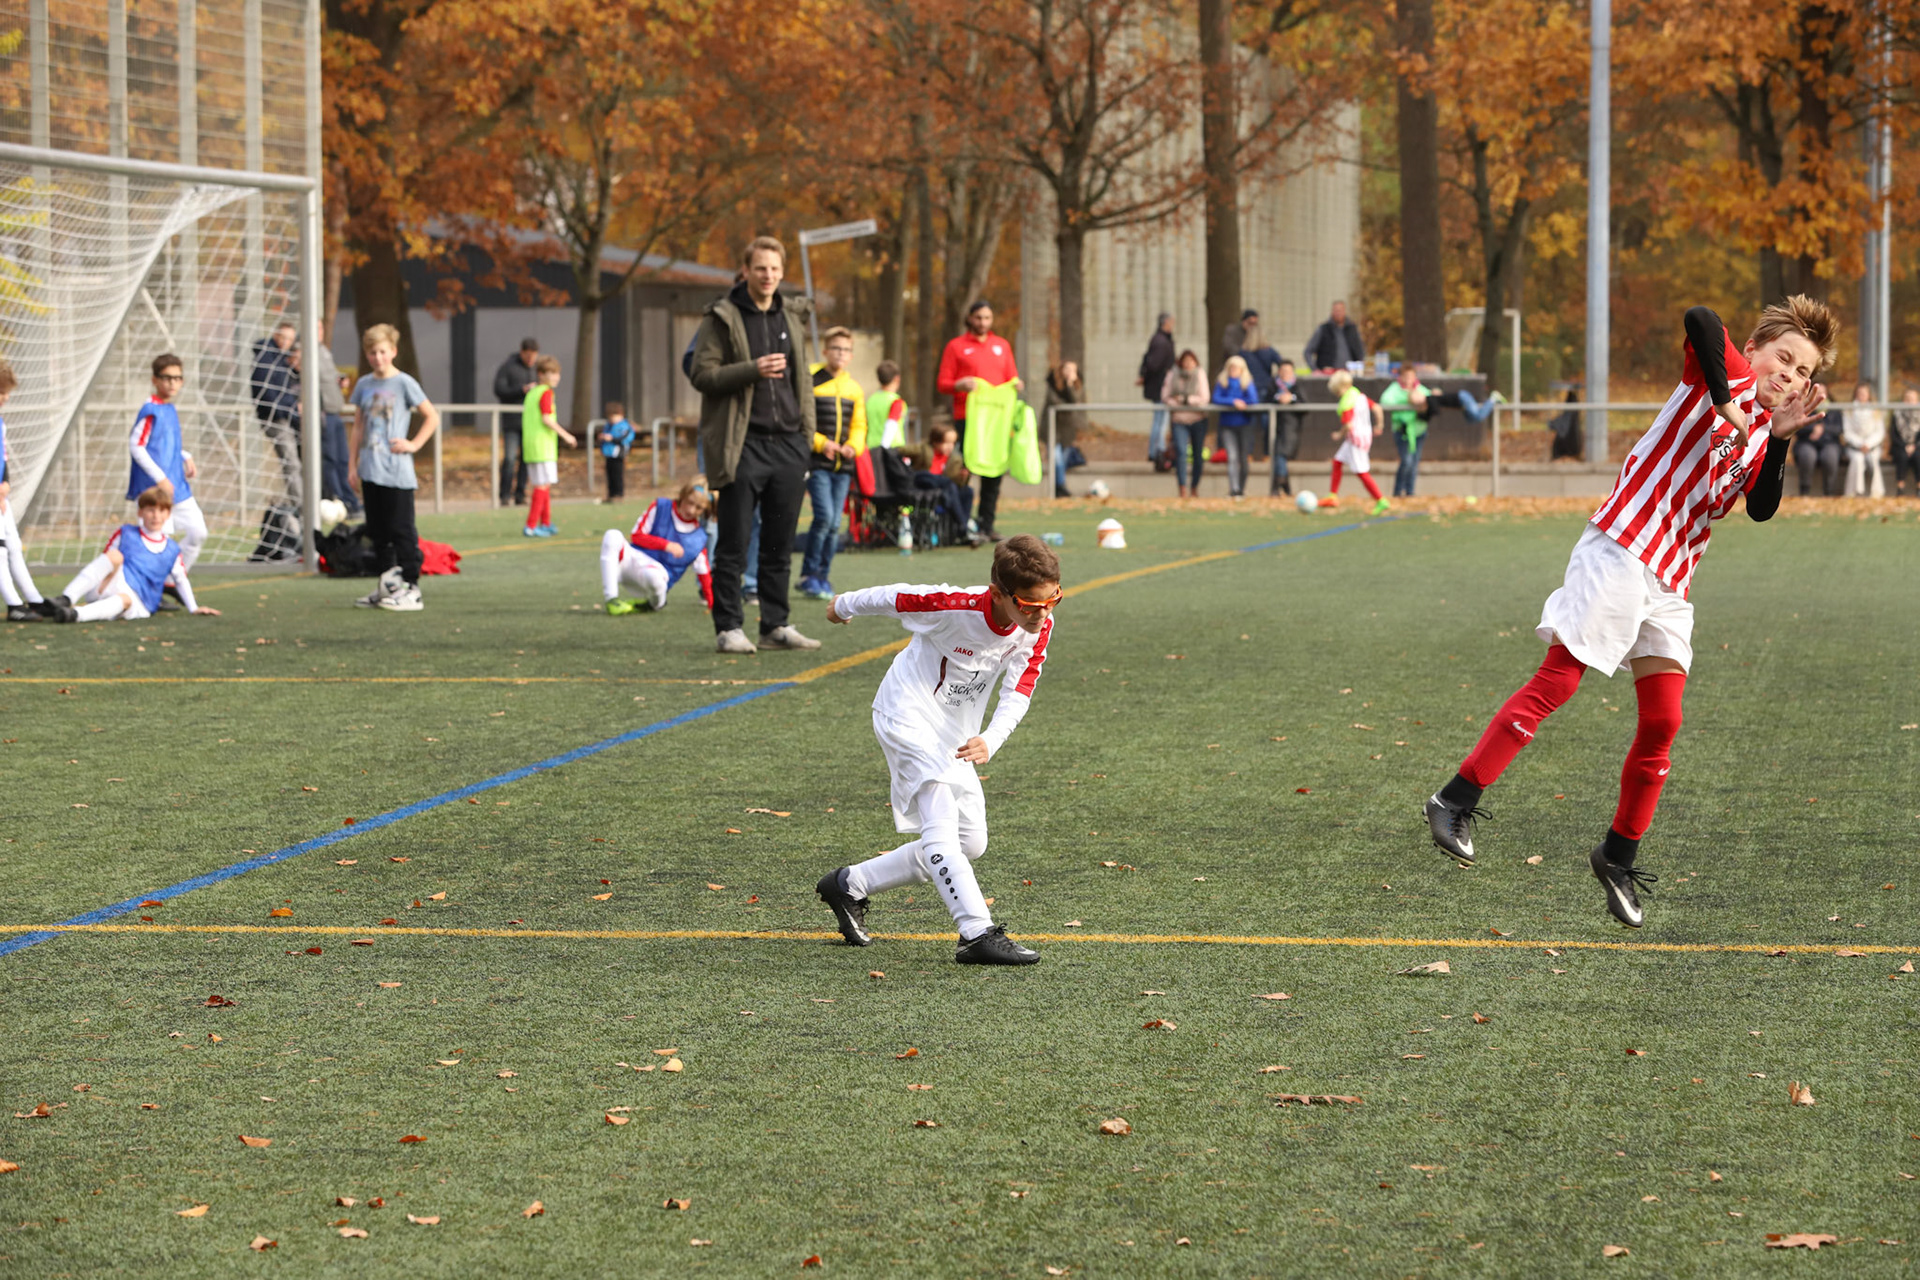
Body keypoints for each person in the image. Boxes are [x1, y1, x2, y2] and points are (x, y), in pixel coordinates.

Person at [1423, 298, 1835, 929]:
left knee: (1663, 720)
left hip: (1670, 579)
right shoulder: (1725, 372)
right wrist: (1726, 399)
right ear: (1754, 350)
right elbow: (1699, 317)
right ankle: (1454, 799)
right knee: (1560, 679)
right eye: (1784, 358)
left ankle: (1617, 855)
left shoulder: (1760, 430)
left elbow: (1760, 507)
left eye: (1803, 371)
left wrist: (1777, 438)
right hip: (1623, 545)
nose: (1790, 375)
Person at [813, 534, 1060, 966]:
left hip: (953, 734)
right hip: (906, 713)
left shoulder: (1037, 626)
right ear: (998, 594)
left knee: (969, 842)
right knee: (941, 823)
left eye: (1053, 600)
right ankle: (976, 932)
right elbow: (897, 597)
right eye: (1029, 605)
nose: (1042, 614)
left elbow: (1020, 689)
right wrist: (843, 605)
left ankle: (849, 883)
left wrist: (991, 738)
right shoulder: (954, 606)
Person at [689, 235, 822, 656]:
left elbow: (803, 384)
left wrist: (805, 440)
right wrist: (753, 369)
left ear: (782, 273)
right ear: (746, 270)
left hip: (789, 447)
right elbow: (701, 374)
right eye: (760, 268)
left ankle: (775, 625)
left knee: (779, 543)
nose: (768, 276)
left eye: (775, 269)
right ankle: (729, 627)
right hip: (742, 446)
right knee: (735, 542)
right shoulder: (722, 317)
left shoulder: (791, 315)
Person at [348, 323, 439, 612]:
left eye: (382, 351)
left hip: (396, 472)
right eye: (372, 352)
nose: (377, 357)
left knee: (402, 530)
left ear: (393, 351)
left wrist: (413, 444)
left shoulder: (404, 383)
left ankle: (412, 588)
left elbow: (432, 417)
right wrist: (352, 465)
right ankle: (387, 586)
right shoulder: (364, 385)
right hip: (370, 470)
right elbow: (358, 427)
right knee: (378, 532)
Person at [53, 486, 219, 623]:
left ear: (168, 515)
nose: (156, 516)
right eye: (150, 510)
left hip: (139, 601)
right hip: (107, 586)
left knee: (124, 599)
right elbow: (103, 562)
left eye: (161, 510)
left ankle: (75, 615)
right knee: (114, 556)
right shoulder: (126, 532)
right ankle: (67, 598)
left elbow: (181, 580)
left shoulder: (172, 550)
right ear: (140, 512)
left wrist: (194, 608)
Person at [935, 300, 1020, 541]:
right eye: (979, 317)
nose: (983, 322)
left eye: (987, 318)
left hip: (996, 421)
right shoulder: (956, 346)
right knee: (963, 471)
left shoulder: (1002, 346)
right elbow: (942, 383)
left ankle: (986, 525)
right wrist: (959, 385)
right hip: (967, 419)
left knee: (993, 473)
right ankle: (958, 524)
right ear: (970, 318)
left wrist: (1016, 385)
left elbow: (1011, 378)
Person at [799, 327, 867, 601]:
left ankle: (822, 577)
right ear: (826, 351)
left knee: (835, 522)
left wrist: (853, 446)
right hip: (818, 464)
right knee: (824, 517)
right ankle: (808, 574)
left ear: (851, 355)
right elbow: (802, 420)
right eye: (836, 348)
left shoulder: (854, 388)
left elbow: (859, 425)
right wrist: (822, 443)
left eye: (846, 350)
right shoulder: (811, 380)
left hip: (843, 467)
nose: (841, 353)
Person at [128, 353, 208, 571]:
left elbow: (162, 443)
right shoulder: (150, 409)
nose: (172, 383)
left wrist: (184, 455)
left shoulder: (168, 408)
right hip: (154, 489)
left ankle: (172, 579)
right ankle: (154, 582)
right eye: (166, 378)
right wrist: (160, 479)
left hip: (177, 486)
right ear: (155, 380)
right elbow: (136, 445)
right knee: (158, 542)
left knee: (198, 532)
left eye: (177, 378)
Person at [599, 476, 713, 615]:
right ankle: (611, 600)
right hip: (632, 562)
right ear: (683, 495)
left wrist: (713, 604)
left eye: (699, 508)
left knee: (654, 576)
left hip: (656, 580)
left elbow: (704, 573)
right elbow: (637, 536)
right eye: (689, 502)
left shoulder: (699, 539)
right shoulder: (661, 507)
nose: (691, 510)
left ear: (705, 510)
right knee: (612, 535)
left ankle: (653, 604)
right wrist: (666, 545)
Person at [0, 361, 58, 621]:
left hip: (1, 496)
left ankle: (34, 600)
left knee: (13, 544)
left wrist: (5, 483)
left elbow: (3, 458)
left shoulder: (1, 423)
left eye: (6, 392)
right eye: (1, 392)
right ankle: (14, 606)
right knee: (1, 548)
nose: (6, 397)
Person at [519, 355, 578, 537]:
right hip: (543, 447)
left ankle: (545, 522)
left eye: (557, 373)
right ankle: (531, 525)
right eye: (551, 373)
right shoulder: (546, 393)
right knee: (542, 486)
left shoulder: (532, 393)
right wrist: (566, 435)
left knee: (543, 485)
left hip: (531, 446)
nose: (555, 377)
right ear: (541, 374)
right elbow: (546, 418)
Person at [1322, 369, 1389, 515]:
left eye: (1337, 392)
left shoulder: (1347, 402)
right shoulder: (1361, 397)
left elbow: (1348, 425)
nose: (1337, 395)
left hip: (1356, 440)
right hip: (1360, 437)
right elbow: (1377, 408)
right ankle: (1332, 496)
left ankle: (1381, 500)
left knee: (1361, 472)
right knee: (1337, 462)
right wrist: (1379, 425)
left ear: (1343, 387)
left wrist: (1339, 434)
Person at [249, 321, 302, 499]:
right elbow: (267, 393)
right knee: (291, 463)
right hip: (275, 418)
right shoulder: (265, 357)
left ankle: (302, 501)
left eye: (290, 339)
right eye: (283, 337)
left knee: (297, 461)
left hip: (289, 416)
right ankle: (301, 505)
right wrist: (290, 409)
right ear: (275, 335)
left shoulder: (282, 359)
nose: (286, 342)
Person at [313, 344, 360, 517]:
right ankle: (340, 502)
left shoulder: (324, 351)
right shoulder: (306, 349)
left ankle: (351, 502)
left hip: (336, 412)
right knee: (330, 460)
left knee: (342, 460)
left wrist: (339, 380)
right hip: (324, 415)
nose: (320, 332)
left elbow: (329, 377)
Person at [493, 338, 539, 506]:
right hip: (512, 422)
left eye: (533, 356)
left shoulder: (536, 369)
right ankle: (505, 494)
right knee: (510, 458)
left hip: (530, 422)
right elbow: (499, 389)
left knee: (526, 459)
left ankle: (520, 494)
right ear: (522, 352)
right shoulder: (508, 367)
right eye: (528, 356)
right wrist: (521, 390)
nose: (530, 359)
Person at [1162, 349, 1209, 498]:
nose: (1188, 364)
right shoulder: (1173, 374)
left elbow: (1204, 398)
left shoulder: (1200, 374)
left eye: (1191, 361)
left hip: (1198, 420)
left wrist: (1186, 400)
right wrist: (1175, 404)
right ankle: (1182, 488)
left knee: (1197, 455)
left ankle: (1194, 487)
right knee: (1181, 453)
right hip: (1179, 420)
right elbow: (1165, 396)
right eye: (1185, 361)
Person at [910, 425, 975, 530]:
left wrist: (962, 477)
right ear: (935, 442)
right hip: (924, 483)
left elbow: (954, 480)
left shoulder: (955, 458)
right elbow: (901, 451)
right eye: (947, 443)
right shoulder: (922, 450)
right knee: (946, 484)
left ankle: (962, 525)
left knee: (967, 491)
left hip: (945, 489)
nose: (950, 446)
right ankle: (964, 527)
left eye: (953, 443)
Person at [1380, 365, 1431, 498]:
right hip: (1402, 431)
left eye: (1411, 376)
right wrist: (1408, 399)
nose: (1409, 379)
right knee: (1406, 461)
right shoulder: (1395, 389)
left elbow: (1429, 398)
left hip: (1419, 431)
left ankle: (1410, 492)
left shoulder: (1419, 388)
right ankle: (1398, 492)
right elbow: (1385, 400)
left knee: (1414, 463)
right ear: (1401, 377)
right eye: (1406, 376)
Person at [1211, 354, 1257, 500]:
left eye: (1237, 368)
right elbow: (1216, 398)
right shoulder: (1222, 382)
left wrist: (1242, 402)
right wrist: (1233, 401)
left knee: (1243, 459)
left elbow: (1253, 399)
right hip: (1227, 425)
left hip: (1244, 425)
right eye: (1231, 367)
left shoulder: (1247, 382)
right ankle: (1234, 489)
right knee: (1232, 457)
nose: (1233, 370)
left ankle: (1241, 489)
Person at [1137, 312, 1175, 460]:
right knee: (1160, 421)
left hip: (1159, 386)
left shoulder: (1161, 340)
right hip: (1160, 387)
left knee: (1160, 420)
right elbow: (1153, 364)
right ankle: (1157, 451)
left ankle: (1157, 450)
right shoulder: (1161, 342)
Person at [1043, 360, 1084, 498]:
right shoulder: (1052, 383)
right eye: (1067, 369)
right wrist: (1066, 406)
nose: (1069, 372)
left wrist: (1070, 384)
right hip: (1052, 426)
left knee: (1063, 461)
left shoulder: (1076, 385)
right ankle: (1060, 487)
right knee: (1057, 458)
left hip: (1067, 429)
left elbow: (1075, 400)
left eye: (1073, 370)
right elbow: (1054, 401)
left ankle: (1058, 488)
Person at [1841, 381, 1886, 498]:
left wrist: (1868, 444)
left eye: (1864, 393)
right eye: (1859, 393)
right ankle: (1855, 492)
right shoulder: (1849, 410)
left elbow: (1880, 432)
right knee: (1857, 460)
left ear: (1869, 395)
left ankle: (1876, 492)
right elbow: (1847, 432)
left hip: (1872, 446)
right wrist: (1860, 444)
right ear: (1855, 394)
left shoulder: (1875, 410)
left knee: (1873, 460)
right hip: (1854, 447)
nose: (1862, 395)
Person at [1793, 391, 1843, 496]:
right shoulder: (1804, 408)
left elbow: (1839, 429)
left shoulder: (1835, 410)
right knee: (1807, 455)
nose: (1820, 396)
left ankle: (1829, 492)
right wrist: (1813, 428)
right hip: (1807, 442)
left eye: (1822, 393)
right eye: (1817, 393)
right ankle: (1804, 491)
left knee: (1830, 456)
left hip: (1829, 442)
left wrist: (1823, 429)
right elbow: (1796, 428)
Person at [1268, 357, 1304, 497]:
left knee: (1280, 455)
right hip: (1275, 426)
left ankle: (1279, 486)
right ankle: (1284, 486)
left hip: (1291, 427)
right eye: (1282, 371)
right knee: (1277, 455)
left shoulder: (1297, 386)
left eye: (1288, 371)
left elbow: (1305, 404)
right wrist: (1278, 398)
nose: (1285, 373)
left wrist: (1291, 399)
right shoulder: (1273, 385)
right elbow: (1265, 399)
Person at [1304, 300, 1365, 373]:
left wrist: (1359, 367)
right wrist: (1315, 370)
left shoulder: (1352, 329)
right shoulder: (1323, 329)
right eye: (1336, 310)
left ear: (1344, 311)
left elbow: (1360, 351)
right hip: (1327, 373)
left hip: (1349, 373)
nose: (1338, 313)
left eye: (1340, 310)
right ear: (1332, 312)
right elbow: (1308, 352)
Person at [598, 401, 635, 504]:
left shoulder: (624, 426)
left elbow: (625, 438)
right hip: (609, 454)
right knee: (609, 475)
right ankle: (611, 495)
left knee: (617, 475)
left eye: (614, 417)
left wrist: (612, 439)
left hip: (618, 454)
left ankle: (619, 494)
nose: (612, 419)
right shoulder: (608, 426)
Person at [867, 360, 909, 449]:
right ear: (897, 379)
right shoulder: (896, 401)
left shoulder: (870, 400)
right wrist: (883, 448)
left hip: (871, 447)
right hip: (891, 448)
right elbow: (891, 425)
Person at [1891, 388, 1920, 497]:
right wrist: (1904, 446)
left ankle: (1919, 488)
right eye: (1907, 398)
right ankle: (1900, 488)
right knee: (1902, 456)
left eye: (1912, 399)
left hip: (1917, 446)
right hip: (1900, 446)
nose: (1909, 401)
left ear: (1917, 400)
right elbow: (1893, 435)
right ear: (1903, 400)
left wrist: (1914, 446)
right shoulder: (1897, 414)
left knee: (1918, 456)